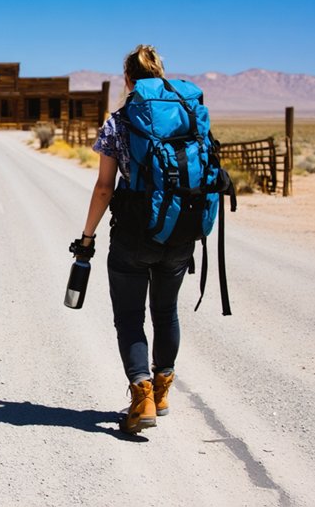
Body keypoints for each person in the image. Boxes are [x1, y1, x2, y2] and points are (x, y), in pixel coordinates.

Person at [77, 44, 195, 434]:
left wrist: (87, 236)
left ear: (127, 79)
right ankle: (162, 391)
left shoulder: (118, 122)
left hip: (132, 234)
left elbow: (104, 188)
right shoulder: (187, 114)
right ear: (161, 73)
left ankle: (141, 396)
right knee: (167, 313)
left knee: (129, 317)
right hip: (179, 231)